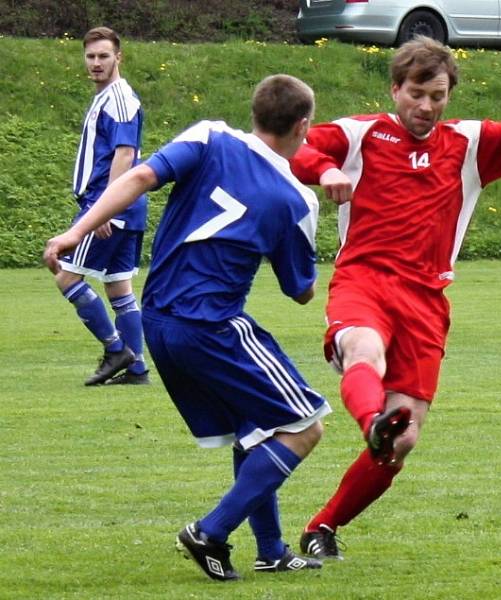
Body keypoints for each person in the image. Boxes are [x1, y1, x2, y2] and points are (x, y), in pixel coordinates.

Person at [44, 74, 331, 581]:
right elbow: (301, 291)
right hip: (211, 325)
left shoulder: (208, 135)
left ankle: (272, 549)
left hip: (155, 321)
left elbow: (135, 179)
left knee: (257, 426)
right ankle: (210, 531)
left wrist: (74, 232)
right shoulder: (297, 200)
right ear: (304, 126)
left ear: (255, 111)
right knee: (305, 426)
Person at [289, 36, 501, 560]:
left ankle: (321, 527)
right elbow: (295, 145)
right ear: (396, 88)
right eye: (417, 93)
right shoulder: (360, 133)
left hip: (425, 302)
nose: (426, 106)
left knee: (405, 440)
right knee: (363, 351)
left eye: (437, 96)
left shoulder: (468, 144)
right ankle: (373, 422)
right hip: (363, 281)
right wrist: (324, 169)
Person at [55, 26, 149, 386]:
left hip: (111, 205)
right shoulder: (108, 96)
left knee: (65, 275)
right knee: (118, 287)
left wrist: (104, 209)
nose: (96, 63)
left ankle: (116, 350)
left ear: (118, 57)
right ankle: (136, 367)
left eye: (103, 56)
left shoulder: (120, 99)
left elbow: (125, 155)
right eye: (91, 56)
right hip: (124, 206)